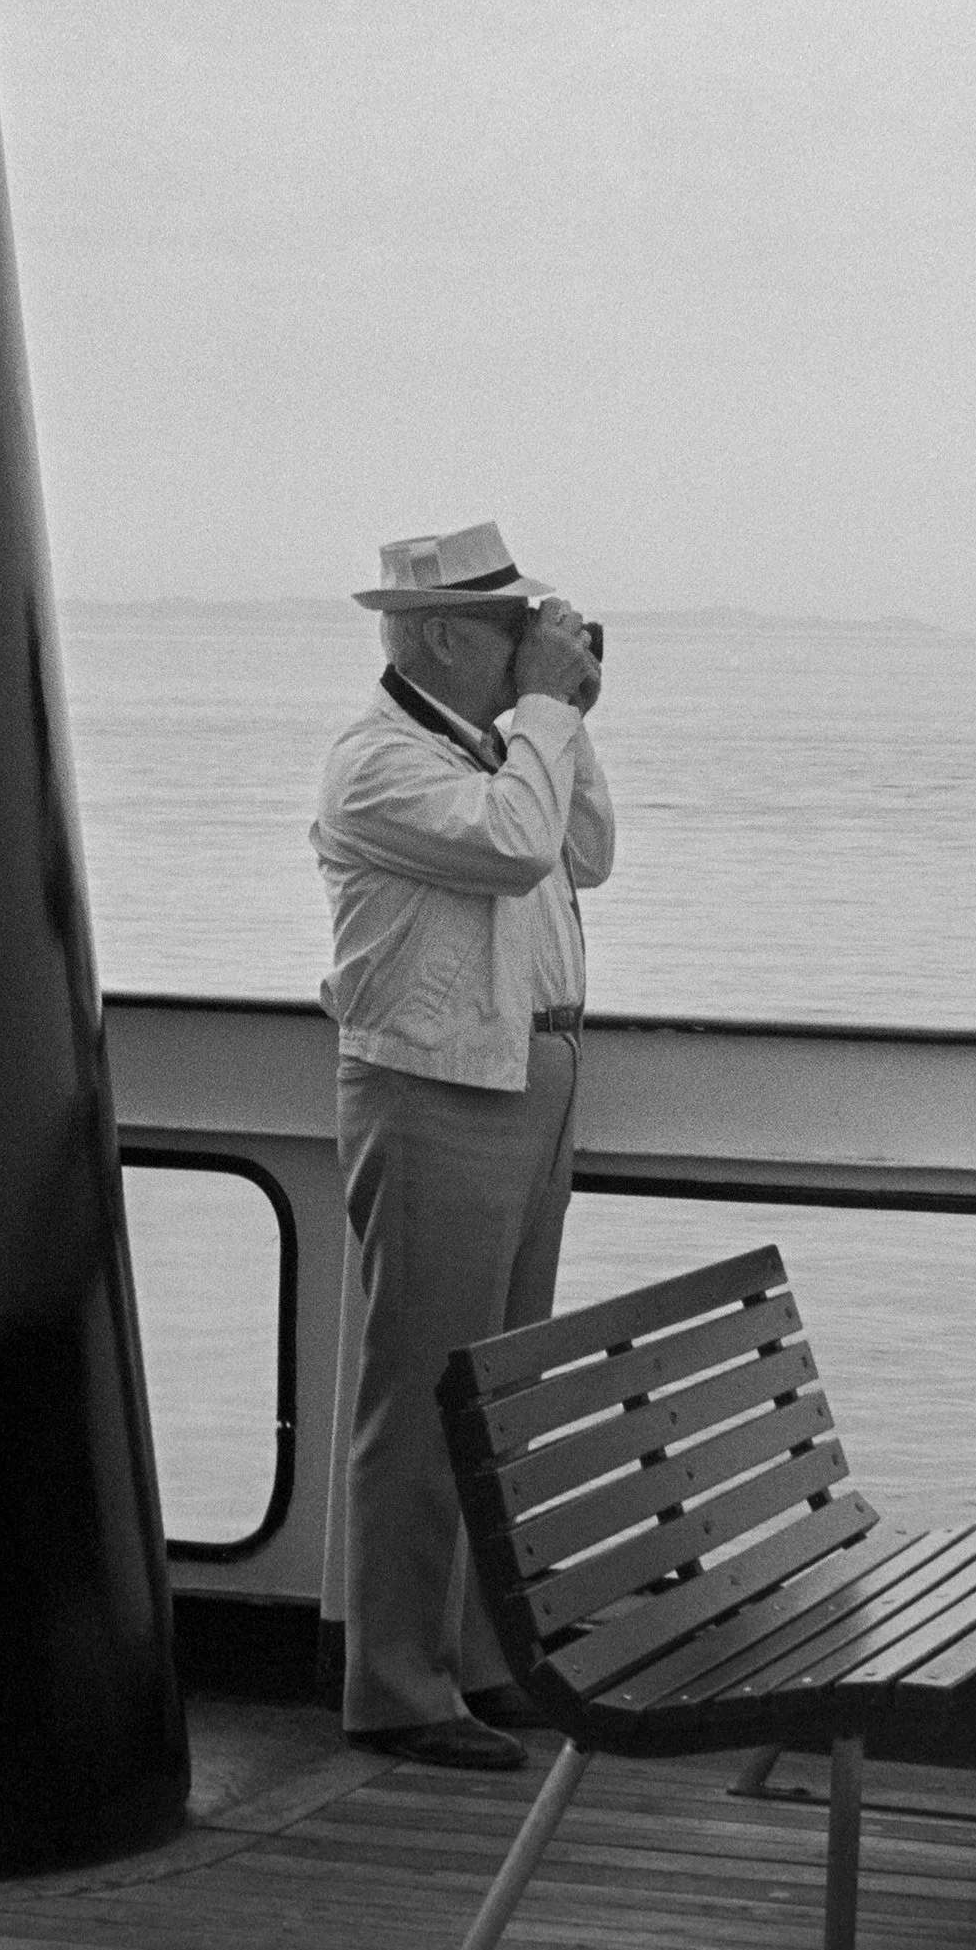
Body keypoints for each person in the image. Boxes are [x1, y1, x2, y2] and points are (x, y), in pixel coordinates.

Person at [312, 520, 613, 1768]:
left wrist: (560, 710)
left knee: (496, 1398)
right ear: (441, 634)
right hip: (435, 1090)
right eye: (510, 628)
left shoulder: (497, 751)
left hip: (528, 1075)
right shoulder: (377, 767)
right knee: (422, 1391)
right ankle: (395, 1687)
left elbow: (586, 850)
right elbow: (519, 847)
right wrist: (543, 709)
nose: (528, 644)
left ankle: (484, 1664)